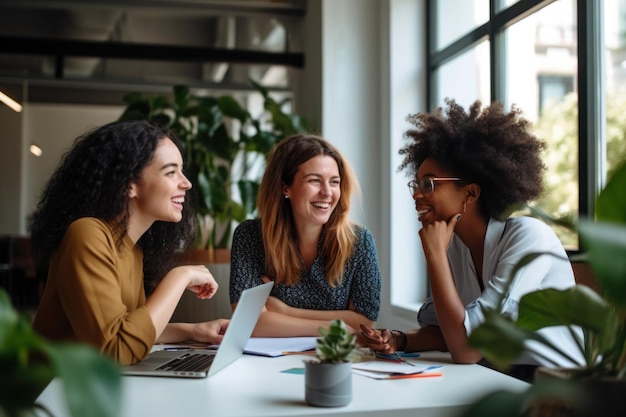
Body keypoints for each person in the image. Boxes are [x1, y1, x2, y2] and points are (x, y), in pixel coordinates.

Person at [359, 99, 583, 382]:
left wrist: (435, 256)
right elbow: (449, 332)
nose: (416, 194)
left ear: (471, 194)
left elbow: (466, 349)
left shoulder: (528, 237)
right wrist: (397, 339)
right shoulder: (455, 245)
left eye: (429, 184)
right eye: (416, 184)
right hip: (494, 374)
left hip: (551, 386)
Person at [30, 120, 229, 366]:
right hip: (54, 393)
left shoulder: (133, 250)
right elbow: (117, 349)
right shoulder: (87, 234)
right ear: (129, 184)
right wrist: (181, 277)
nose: (186, 183)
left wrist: (193, 331)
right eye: (170, 171)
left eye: (181, 170)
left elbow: (131, 329)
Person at [229, 134, 381, 337]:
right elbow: (249, 322)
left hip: (334, 358)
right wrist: (336, 327)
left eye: (334, 182)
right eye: (315, 181)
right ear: (286, 188)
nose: (327, 192)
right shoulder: (249, 237)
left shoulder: (359, 241)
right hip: (267, 363)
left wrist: (284, 312)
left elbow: (364, 321)